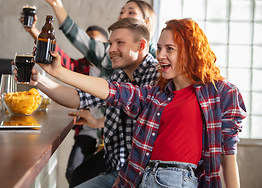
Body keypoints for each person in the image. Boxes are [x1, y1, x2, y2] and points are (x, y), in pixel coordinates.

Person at [35, 18, 247, 188]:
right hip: (140, 176)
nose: (161, 55)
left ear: (190, 51)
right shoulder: (156, 95)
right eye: (160, 48)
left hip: (178, 179)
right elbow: (111, 91)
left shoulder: (221, 94)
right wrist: (58, 72)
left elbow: (228, 158)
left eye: (170, 49)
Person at [22, 18, 159, 187]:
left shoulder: (156, 75)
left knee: (77, 173)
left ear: (142, 46)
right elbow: (78, 98)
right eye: (110, 43)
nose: (112, 50)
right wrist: (39, 81)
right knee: (77, 174)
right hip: (119, 168)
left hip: (145, 174)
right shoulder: (119, 76)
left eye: (120, 43)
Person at [19, 14, 108, 184]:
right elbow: (56, 54)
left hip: (105, 134)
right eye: (86, 43)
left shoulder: (113, 74)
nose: (89, 49)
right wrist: (32, 30)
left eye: (94, 44)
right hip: (86, 130)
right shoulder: (81, 66)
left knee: (91, 176)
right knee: (72, 172)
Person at [38, 0, 157, 80]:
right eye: (121, 12)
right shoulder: (111, 60)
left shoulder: (157, 66)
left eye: (131, 13)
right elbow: (79, 38)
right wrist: (56, 4)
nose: (122, 16)